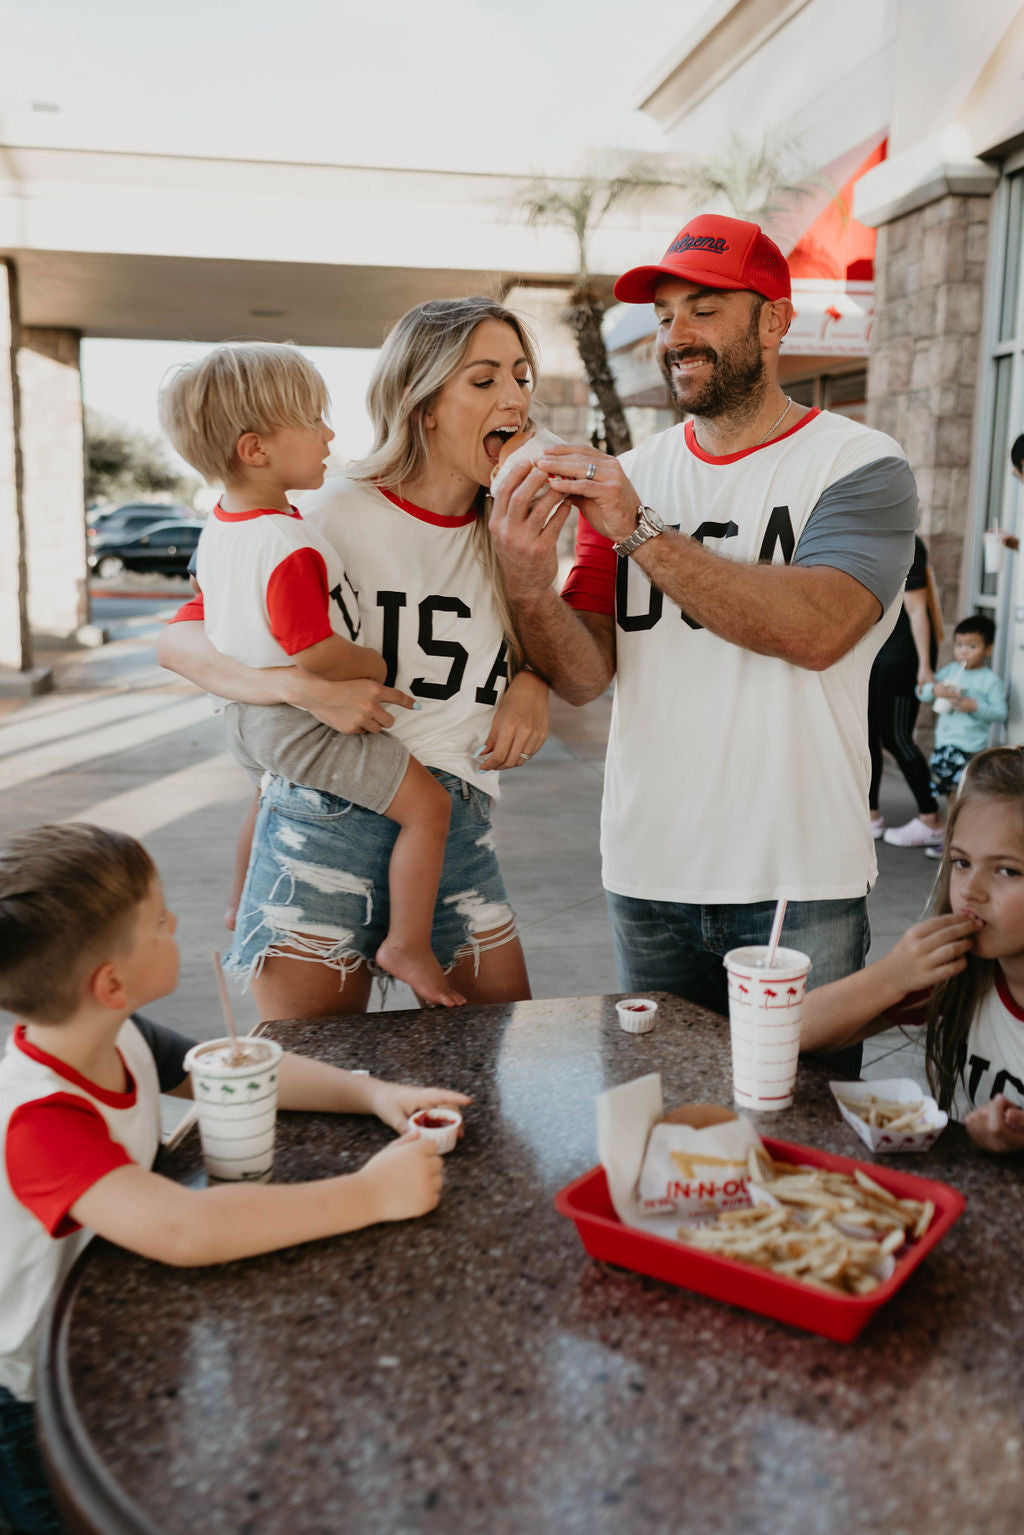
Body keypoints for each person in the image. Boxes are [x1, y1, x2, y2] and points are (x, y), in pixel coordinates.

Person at [490, 213, 917, 1024]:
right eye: (663, 317)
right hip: (647, 871)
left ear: (775, 320)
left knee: (793, 1133)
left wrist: (639, 530)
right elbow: (585, 675)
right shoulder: (632, 475)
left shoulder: (862, 463)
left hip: (798, 878)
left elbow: (817, 629)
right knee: (665, 1127)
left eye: (704, 309)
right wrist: (528, 584)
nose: (676, 335)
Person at [0, 823, 470, 1534]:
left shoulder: (113, 1032)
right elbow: (186, 1228)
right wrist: (370, 1193)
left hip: (107, 1325)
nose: (176, 923)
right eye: (158, 921)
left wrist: (371, 1093)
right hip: (33, 1393)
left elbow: (237, 1067)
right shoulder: (39, 1121)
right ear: (111, 981)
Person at [157, 297, 548, 1022]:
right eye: (485, 378)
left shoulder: (518, 526)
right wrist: (304, 690)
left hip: (453, 829)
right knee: (315, 1086)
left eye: (523, 376)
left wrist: (535, 677)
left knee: (500, 1069)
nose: (517, 397)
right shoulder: (324, 511)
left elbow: (563, 641)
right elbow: (183, 638)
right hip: (324, 822)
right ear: (422, 402)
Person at [801, 745, 1024, 1153]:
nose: (971, 891)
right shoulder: (962, 972)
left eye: (1007, 870)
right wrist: (892, 975)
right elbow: (793, 1033)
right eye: (960, 862)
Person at [902, 614, 1009, 859]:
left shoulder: (989, 681)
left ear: (988, 649)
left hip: (969, 748)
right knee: (950, 796)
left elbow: (1000, 712)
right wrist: (935, 689)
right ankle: (951, 842)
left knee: (965, 798)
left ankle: (961, 842)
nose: (964, 652)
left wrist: (976, 706)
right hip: (945, 747)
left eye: (972, 646)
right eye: (959, 645)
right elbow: (924, 693)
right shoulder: (951, 671)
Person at [868, 535, 942, 847]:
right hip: (874, 651)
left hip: (903, 655)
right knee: (868, 735)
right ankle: (870, 815)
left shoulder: (907, 542)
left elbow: (916, 610)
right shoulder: (864, 536)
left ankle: (931, 818)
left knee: (897, 737)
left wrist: (925, 665)